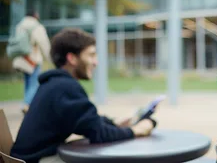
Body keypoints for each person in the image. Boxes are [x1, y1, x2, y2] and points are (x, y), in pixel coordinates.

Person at [11, 28, 156, 163]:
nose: (96, 62)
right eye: (91, 55)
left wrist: (114, 122)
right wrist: (136, 130)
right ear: (72, 58)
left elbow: (86, 121)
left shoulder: (55, 84)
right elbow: (99, 134)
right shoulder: (66, 87)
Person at [10, 10, 50, 114]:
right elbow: (43, 44)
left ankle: (27, 103)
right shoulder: (36, 26)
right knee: (34, 83)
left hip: (22, 59)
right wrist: (50, 57)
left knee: (28, 83)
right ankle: (26, 104)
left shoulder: (20, 26)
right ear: (35, 16)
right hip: (33, 59)